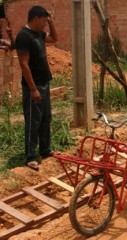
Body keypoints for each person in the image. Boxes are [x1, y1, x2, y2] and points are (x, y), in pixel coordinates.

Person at [15, 6, 58, 171]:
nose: (45, 25)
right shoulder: (24, 37)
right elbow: (23, 65)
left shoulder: (39, 34)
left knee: (46, 118)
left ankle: (45, 150)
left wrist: (52, 22)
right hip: (33, 85)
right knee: (33, 121)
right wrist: (33, 89)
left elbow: (54, 38)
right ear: (35, 19)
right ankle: (30, 157)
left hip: (44, 82)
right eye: (44, 21)